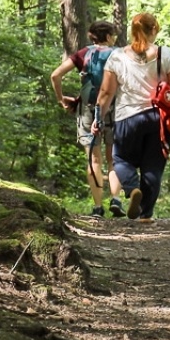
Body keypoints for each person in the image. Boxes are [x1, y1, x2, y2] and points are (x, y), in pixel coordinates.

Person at [94, 12, 170, 222]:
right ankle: (146, 214)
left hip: (127, 119)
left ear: (132, 31)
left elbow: (106, 92)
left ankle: (132, 188)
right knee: (153, 166)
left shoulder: (117, 56)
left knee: (120, 159)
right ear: (154, 29)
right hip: (159, 120)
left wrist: (98, 118)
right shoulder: (164, 54)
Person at [51, 20, 122, 218]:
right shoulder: (120, 55)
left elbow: (55, 75)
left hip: (87, 111)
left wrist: (61, 100)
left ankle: (98, 207)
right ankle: (116, 199)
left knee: (94, 159)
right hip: (115, 109)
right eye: (113, 35)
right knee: (114, 158)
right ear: (108, 37)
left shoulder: (83, 54)